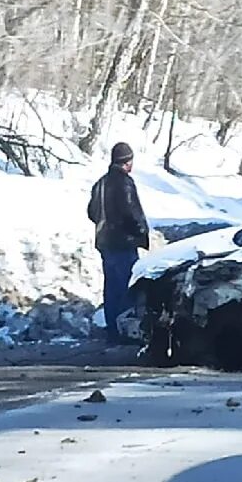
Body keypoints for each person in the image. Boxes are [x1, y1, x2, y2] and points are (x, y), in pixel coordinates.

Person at [88, 142, 150, 344]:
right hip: (123, 243)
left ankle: (113, 330)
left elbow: (91, 212)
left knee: (111, 288)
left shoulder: (101, 183)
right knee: (127, 288)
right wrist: (141, 231)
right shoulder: (124, 183)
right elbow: (131, 212)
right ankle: (126, 331)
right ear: (127, 162)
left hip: (105, 242)